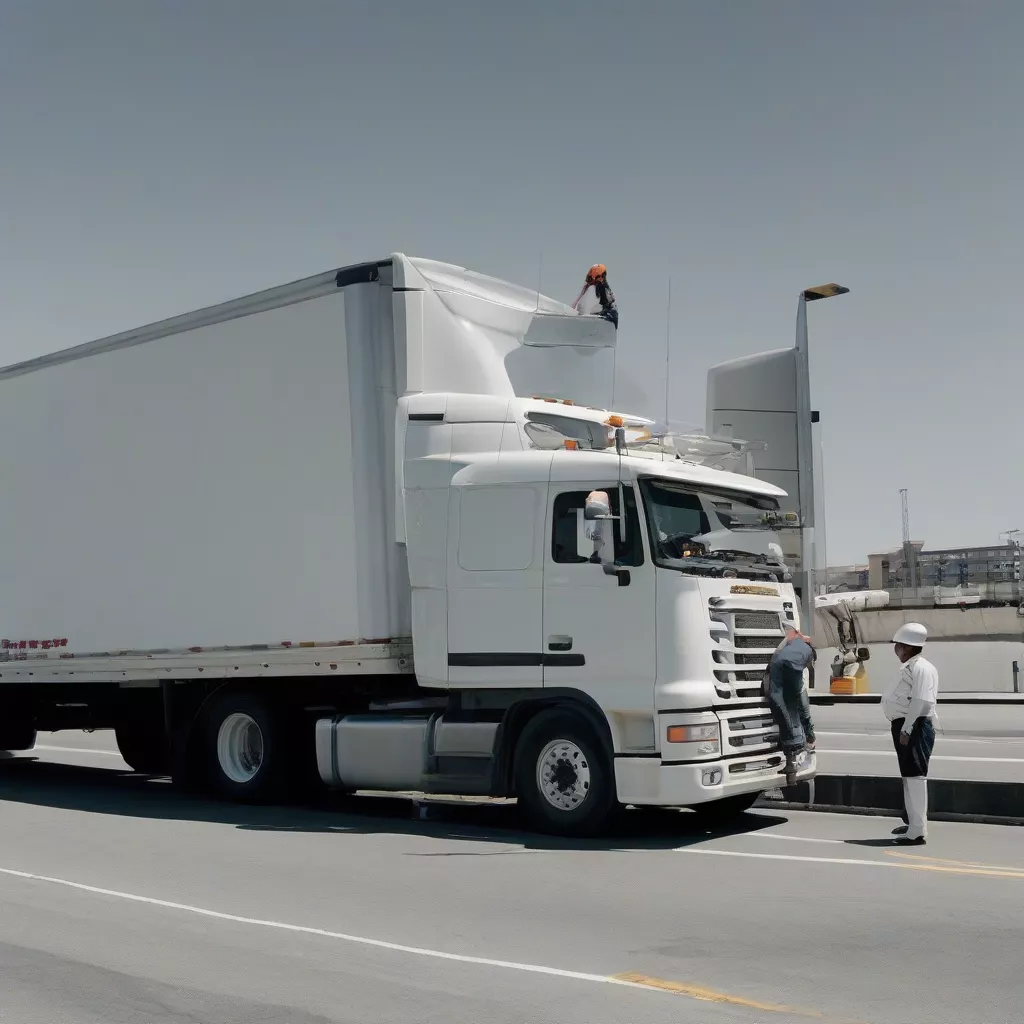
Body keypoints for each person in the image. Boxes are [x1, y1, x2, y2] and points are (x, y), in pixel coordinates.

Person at [882, 622, 938, 845]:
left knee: (915, 778)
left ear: (906, 647)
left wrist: (907, 728)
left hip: (914, 727)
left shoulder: (921, 668)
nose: (895, 650)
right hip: (908, 725)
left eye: (897, 646)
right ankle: (914, 822)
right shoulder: (912, 666)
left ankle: (917, 831)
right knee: (909, 777)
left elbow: (922, 701)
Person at [765, 626, 816, 784]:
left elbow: (778, 651)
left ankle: (790, 766)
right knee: (794, 714)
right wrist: (810, 734)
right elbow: (804, 708)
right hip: (784, 676)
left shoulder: (791, 643)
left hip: (772, 674)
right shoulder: (803, 656)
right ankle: (791, 769)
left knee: (784, 715)